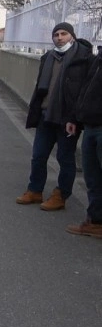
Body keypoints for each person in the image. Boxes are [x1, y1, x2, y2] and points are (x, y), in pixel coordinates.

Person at [15, 22, 94, 210]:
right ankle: (35, 190)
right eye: (56, 34)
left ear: (72, 36)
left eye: (64, 34)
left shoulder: (83, 59)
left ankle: (61, 195)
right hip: (45, 114)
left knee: (64, 158)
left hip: (67, 120)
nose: (59, 37)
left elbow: (83, 92)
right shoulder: (48, 57)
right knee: (38, 156)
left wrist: (74, 119)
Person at [66, 51, 102, 237]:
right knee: (93, 178)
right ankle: (95, 222)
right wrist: (75, 118)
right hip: (90, 126)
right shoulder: (98, 58)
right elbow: (85, 91)